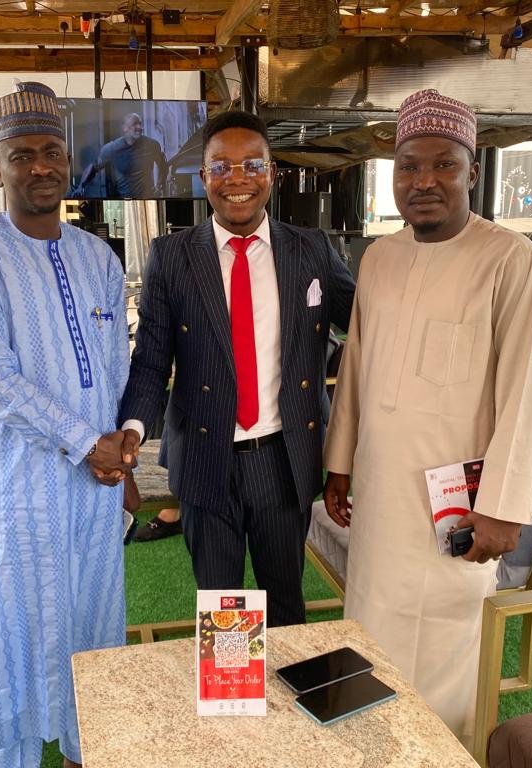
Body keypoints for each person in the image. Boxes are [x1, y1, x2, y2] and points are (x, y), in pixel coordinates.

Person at [322, 89, 532, 749]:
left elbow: (524, 391)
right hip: (380, 494)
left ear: (471, 171)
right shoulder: (379, 257)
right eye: (409, 166)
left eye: (443, 165)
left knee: (446, 646)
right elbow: (356, 366)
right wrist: (339, 463)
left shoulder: (511, 259)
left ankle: (439, 754)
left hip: (456, 505)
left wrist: (502, 507)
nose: (424, 181)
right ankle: (369, 750)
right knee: (369, 627)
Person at [0, 81, 133, 768]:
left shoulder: (98, 257)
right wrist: (88, 444)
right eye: (22, 155)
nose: (41, 166)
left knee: (93, 626)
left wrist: (120, 454)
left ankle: (87, 751)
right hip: (17, 491)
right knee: (15, 636)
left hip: (93, 493)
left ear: (69, 161)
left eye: (52, 151)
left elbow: (114, 368)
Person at [117, 109, 356, 627]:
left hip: (284, 460)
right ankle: (232, 684)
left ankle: (286, 682)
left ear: (272, 173)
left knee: (285, 603)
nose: (237, 179)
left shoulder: (311, 250)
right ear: (204, 176)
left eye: (252, 164)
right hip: (206, 458)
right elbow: (152, 357)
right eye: (221, 167)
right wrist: (133, 427)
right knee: (222, 608)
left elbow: (368, 326)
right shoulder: (172, 256)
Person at [90, 113, 167, 198]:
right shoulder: (111, 149)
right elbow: (93, 168)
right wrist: (81, 187)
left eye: (140, 124)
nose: (140, 127)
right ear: (125, 128)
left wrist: (159, 185)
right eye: (135, 124)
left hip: (148, 198)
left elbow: (163, 166)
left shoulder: (152, 145)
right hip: (124, 200)